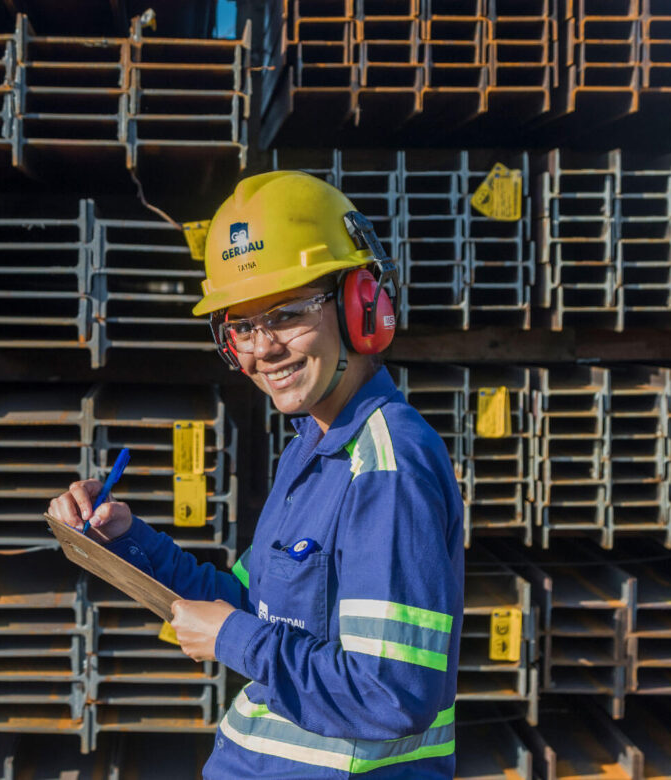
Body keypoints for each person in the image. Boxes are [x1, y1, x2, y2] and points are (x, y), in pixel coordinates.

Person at [48, 171, 464, 778]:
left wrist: (234, 640)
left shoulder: (387, 464)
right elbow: (252, 606)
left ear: (360, 303)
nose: (262, 348)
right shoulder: (310, 449)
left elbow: (391, 694)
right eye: (241, 326)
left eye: (287, 313)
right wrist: (127, 544)